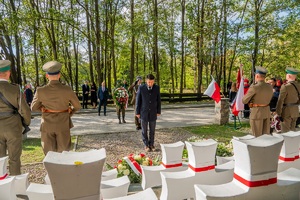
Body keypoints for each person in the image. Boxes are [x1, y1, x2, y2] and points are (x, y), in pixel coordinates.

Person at [31, 61, 81, 155]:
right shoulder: (67, 89)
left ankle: (51, 170)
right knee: (64, 154)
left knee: (49, 154)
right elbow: (77, 106)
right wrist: (69, 113)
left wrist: (43, 109)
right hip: (63, 124)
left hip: (47, 124)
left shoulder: (40, 90)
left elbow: (33, 107)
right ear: (59, 75)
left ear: (47, 76)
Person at [0, 60, 31, 175]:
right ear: (8, 73)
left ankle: (1, 186)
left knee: (0, 161)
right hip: (13, 127)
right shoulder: (15, 88)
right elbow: (25, 110)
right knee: (14, 159)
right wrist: (26, 123)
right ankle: (16, 186)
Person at [242, 66, 273, 137]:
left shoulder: (254, 87)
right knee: (266, 136)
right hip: (267, 112)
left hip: (257, 113)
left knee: (257, 136)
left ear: (257, 76)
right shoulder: (269, 87)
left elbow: (244, 100)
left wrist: (251, 88)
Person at [136, 74, 161, 152]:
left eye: (152, 82)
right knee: (144, 130)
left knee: (152, 130)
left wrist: (158, 111)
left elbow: (158, 100)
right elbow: (138, 101)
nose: (150, 84)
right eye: (149, 82)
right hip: (143, 112)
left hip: (153, 112)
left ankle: (151, 144)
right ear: (146, 81)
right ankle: (146, 145)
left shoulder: (157, 88)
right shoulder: (141, 87)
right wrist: (137, 112)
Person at [275, 67, 300, 133]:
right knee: (293, 132)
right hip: (295, 111)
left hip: (286, 112)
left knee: (286, 133)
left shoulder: (285, 86)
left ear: (288, 75)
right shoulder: (298, 85)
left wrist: (278, 113)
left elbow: (280, 100)